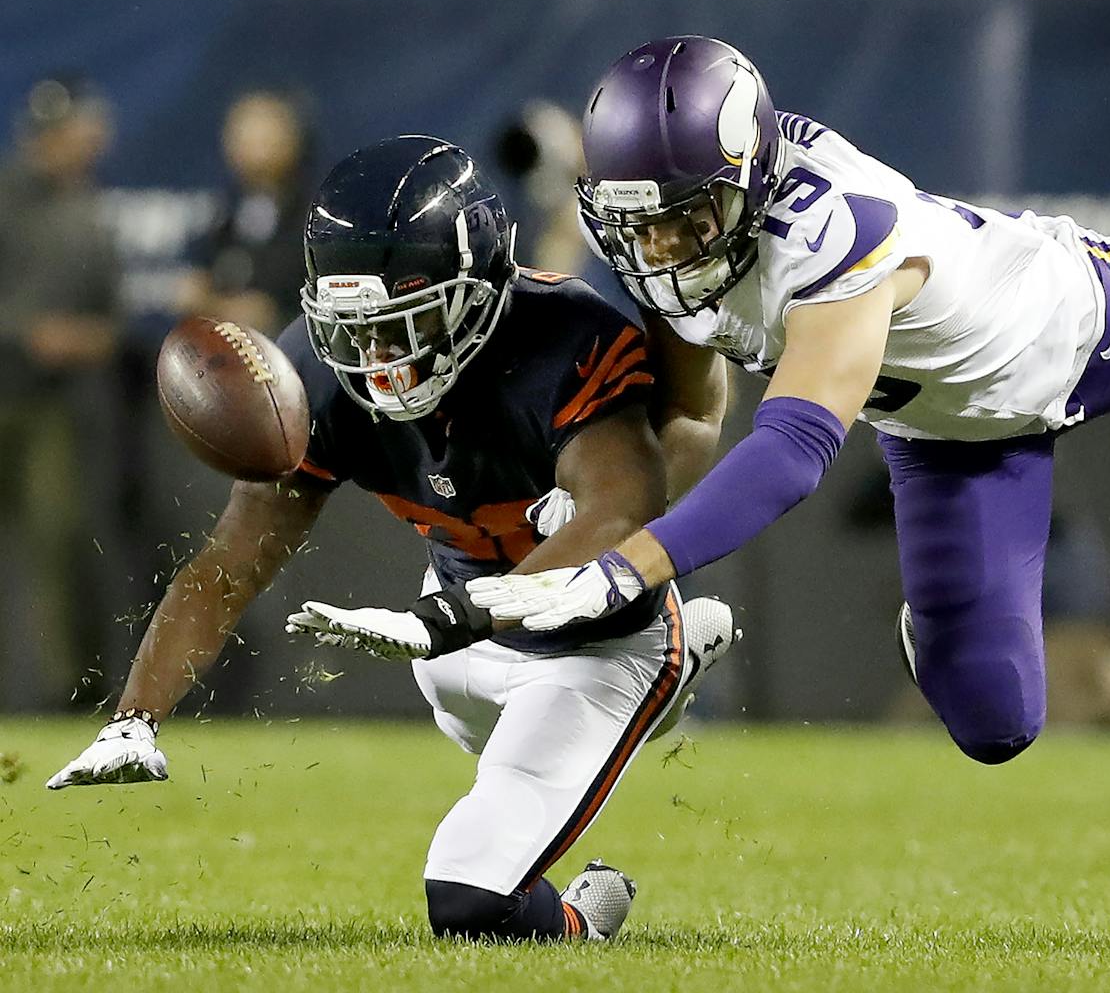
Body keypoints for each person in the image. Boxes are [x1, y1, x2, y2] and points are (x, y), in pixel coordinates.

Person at [457, 0, 1110, 763]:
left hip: (1066, 321)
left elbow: (792, 452)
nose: (661, 245)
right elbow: (699, 411)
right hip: (947, 432)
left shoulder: (835, 227)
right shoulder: (648, 233)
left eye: (688, 215)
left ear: (749, 179)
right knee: (996, 727)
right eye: (642, 221)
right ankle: (954, 617)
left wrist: (631, 569)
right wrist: (611, 530)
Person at [47, 135, 735, 944]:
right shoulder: (319, 384)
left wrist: (452, 618)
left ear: (479, 292)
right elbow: (228, 564)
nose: (381, 359)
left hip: (591, 643)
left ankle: (595, 901)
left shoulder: (565, 339)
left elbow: (621, 513)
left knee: (474, 905)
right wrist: (135, 717)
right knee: (496, 795)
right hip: (450, 647)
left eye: (408, 324)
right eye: (356, 331)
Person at [0, 73, 121, 709]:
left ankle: (64, 691)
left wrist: (98, 337)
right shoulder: (4, 195)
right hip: (5, 381)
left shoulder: (90, 210)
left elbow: (109, 310)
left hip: (53, 404)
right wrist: (26, 331)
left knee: (60, 540)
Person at [177, 89, 317, 335]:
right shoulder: (222, 213)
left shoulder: (312, 215)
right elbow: (192, 286)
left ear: (292, 139)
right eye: (245, 137)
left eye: (265, 137)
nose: (256, 150)